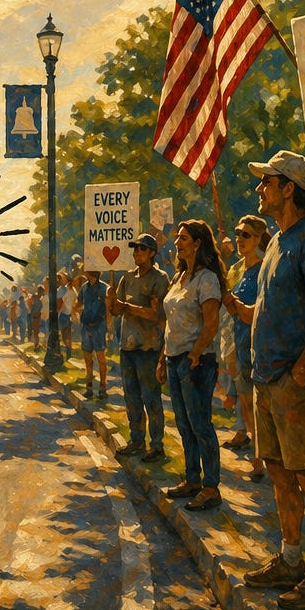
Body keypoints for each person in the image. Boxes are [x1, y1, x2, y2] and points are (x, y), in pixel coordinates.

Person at [225, 150, 305, 610]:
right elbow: (267, 313)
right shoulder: (276, 241)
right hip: (267, 381)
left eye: (266, 182)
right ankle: (291, 559)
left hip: (299, 385)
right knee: (278, 474)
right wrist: (240, 310)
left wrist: (300, 369)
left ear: (288, 188)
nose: (259, 190)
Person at [159, 219, 226, 511]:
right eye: (178, 238)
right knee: (184, 424)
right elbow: (170, 324)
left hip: (196, 360)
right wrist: (164, 358)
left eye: (184, 238)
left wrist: (194, 356)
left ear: (198, 243)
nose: (178, 243)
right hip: (174, 359)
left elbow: (211, 323)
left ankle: (211, 487)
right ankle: (191, 479)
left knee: (201, 425)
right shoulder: (179, 278)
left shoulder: (207, 278)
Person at [109, 234, 169, 463]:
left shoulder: (160, 278)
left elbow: (157, 314)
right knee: (131, 396)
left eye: (142, 249)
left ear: (152, 253)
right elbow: (116, 310)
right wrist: (111, 302)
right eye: (135, 249)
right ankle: (136, 440)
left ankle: (156, 445)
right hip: (128, 346)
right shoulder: (127, 277)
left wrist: (126, 307)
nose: (136, 253)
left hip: (148, 346)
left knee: (151, 397)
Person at [222, 214, 270, 479]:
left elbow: (257, 311)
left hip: (261, 345)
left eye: (246, 235)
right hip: (240, 342)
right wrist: (229, 302)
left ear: (259, 238)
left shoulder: (265, 268)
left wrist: (237, 306)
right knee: (245, 403)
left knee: (261, 405)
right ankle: (256, 460)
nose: (240, 239)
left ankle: (265, 460)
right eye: (238, 234)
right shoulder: (235, 270)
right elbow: (232, 312)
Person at [77, 269, 110, 399]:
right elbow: (79, 303)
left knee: (101, 357)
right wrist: (76, 310)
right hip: (86, 325)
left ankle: (102, 386)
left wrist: (108, 326)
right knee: (87, 357)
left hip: (99, 326)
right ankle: (89, 386)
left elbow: (108, 308)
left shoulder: (104, 288)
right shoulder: (84, 288)